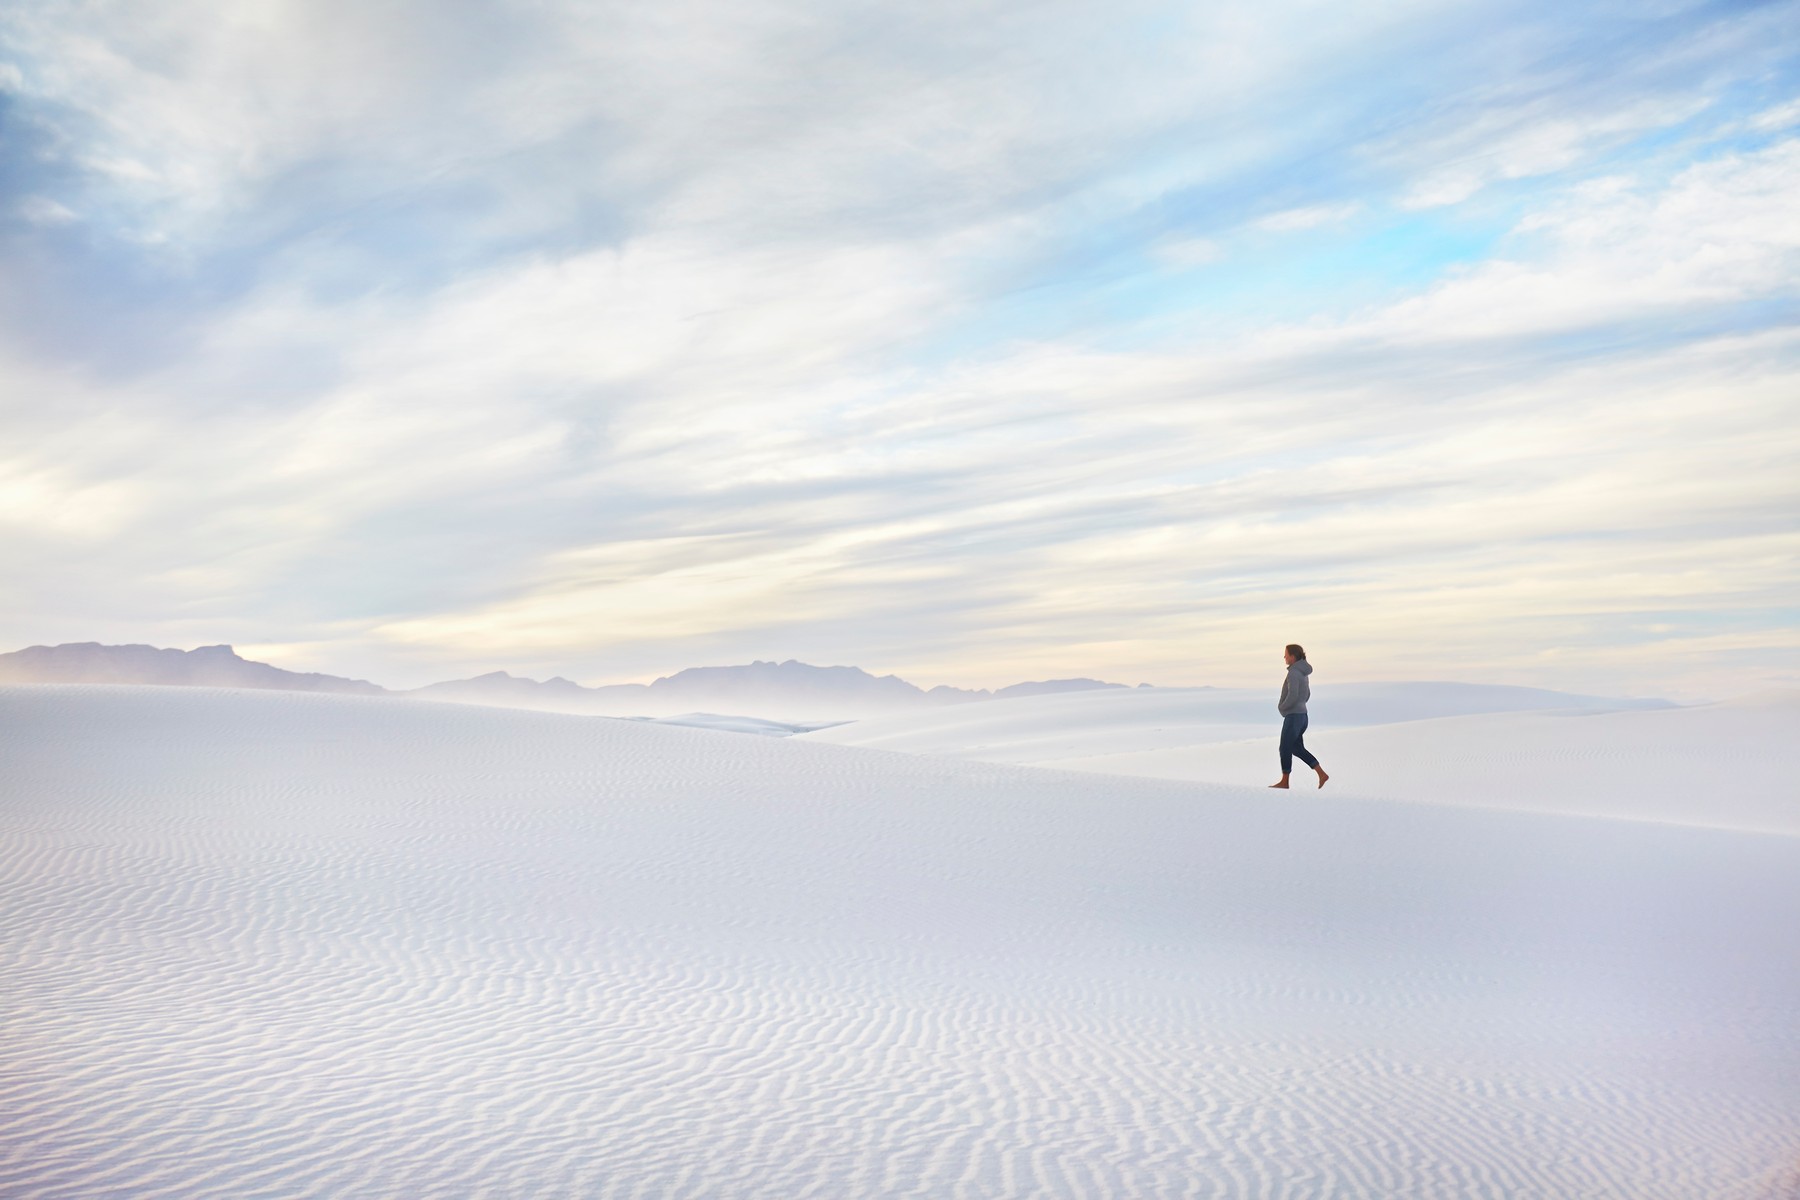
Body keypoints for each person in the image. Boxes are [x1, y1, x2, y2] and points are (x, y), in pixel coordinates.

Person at [1270, 643, 1327, 790]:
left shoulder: (1294, 673)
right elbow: (1307, 694)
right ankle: (1321, 773)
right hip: (1302, 716)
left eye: (1286, 654)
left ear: (1293, 657)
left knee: (1285, 748)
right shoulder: (1303, 673)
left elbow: (1293, 695)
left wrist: (1282, 707)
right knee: (1296, 748)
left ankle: (1285, 781)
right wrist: (1299, 704)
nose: (1284, 657)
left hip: (1294, 716)